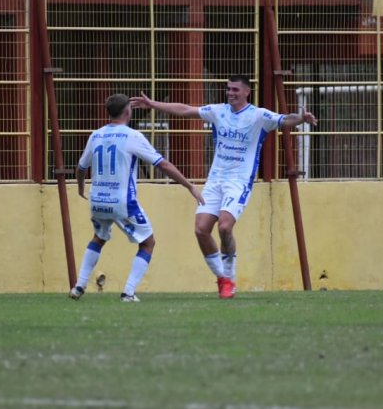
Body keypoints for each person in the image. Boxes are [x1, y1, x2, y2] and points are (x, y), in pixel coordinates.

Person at [130, 76, 317, 299]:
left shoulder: (258, 115)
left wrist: (301, 118)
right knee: (201, 229)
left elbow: (285, 120)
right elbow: (185, 110)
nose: (230, 93)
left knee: (225, 227)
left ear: (247, 92)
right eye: (228, 89)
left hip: (238, 182)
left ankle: (229, 275)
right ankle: (223, 279)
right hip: (215, 180)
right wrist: (153, 104)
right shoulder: (218, 111)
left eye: (235, 89)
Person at [69, 93, 204, 302]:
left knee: (99, 237)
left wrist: (80, 188)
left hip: (97, 200)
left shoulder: (95, 135)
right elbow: (163, 165)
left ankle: (78, 286)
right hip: (122, 202)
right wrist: (190, 186)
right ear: (127, 112)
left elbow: (80, 167)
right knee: (148, 242)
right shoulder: (133, 136)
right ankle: (128, 292)